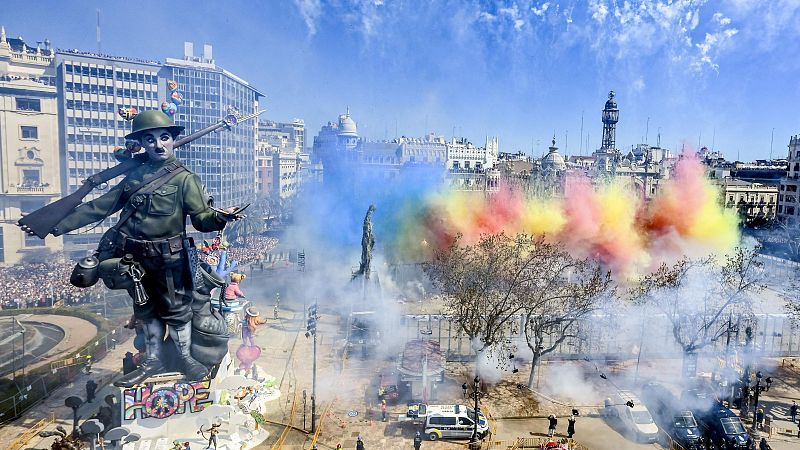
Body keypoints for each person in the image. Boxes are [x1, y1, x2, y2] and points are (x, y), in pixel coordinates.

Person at [32, 110, 243, 388]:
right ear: (142, 144)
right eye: (150, 139)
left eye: (164, 137)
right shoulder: (134, 176)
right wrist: (55, 226)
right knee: (147, 312)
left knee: (177, 312)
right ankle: (153, 360)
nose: (158, 145)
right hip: (134, 259)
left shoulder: (185, 179)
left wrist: (220, 217)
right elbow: (101, 206)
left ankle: (184, 357)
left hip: (171, 259)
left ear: (172, 140)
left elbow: (201, 219)